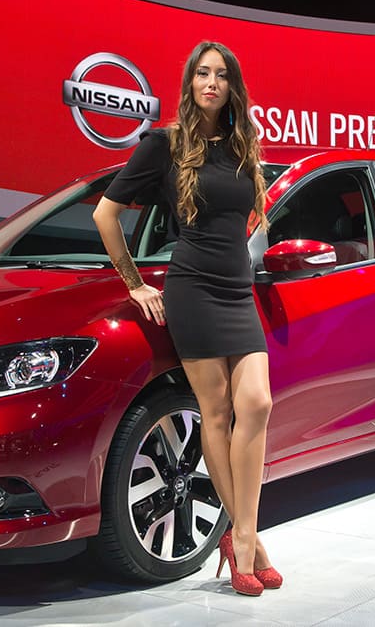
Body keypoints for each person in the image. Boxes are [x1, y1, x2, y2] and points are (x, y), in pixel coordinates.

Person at [92, 41, 281, 596]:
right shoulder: (164, 144)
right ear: (190, 82)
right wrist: (133, 283)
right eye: (202, 73)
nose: (211, 82)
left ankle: (243, 536)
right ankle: (248, 543)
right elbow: (106, 215)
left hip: (236, 290)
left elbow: (253, 221)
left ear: (233, 86)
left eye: (221, 75)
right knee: (216, 414)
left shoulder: (244, 146)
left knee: (258, 404)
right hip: (192, 288)